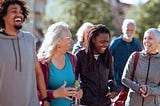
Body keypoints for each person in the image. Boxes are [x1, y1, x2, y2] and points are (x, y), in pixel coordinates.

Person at [0, 1, 49, 106]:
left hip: (31, 103)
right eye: (14, 11)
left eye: (21, 12)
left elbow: (38, 72)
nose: (19, 14)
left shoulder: (29, 38)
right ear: (3, 16)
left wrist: (45, 98)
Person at [37, 22, 83, 106]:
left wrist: (78, 90)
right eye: (68, 38)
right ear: (58, 40)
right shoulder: (42, 62)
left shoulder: (72, 58)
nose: (71, 41)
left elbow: (76, 80)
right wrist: (55, 93)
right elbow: (34, 92)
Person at [75, 24, 118, 106]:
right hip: (86, 102)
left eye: (107, 42)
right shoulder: (80, 56)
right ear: (93, 40)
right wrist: (77, 89)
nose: (105, 45)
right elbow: (75, 78)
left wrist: (113, 89)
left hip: (105, 102)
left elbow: (111, 77)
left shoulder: (108, 56)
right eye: (102, 42)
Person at [121, 28, 160, 106]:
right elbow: (124, 79)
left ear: (158, 42)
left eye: (150, 38)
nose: (146, 41)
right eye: (145, 38)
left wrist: (149, 90)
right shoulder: (135, 56)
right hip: (132, 103)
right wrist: (138, 89)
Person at [109, 19, 142, 91]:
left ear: (135, 30)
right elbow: (107, 59)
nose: (129, 32)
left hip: (132, 82)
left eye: (132, 30)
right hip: (118, 81)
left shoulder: (137, 45)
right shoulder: (115, 43)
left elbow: (141, 62)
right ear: (122, 29)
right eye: (127, 30)